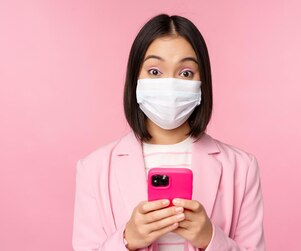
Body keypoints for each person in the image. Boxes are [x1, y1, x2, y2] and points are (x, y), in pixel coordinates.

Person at [71, 14, 265, 251]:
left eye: (185, 73)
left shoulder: (242, 168)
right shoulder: (93, 168)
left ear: (202, 83)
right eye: (154, 72)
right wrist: (127, 240)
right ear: (135, 80)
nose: (170, 85)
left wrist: (211, 239)